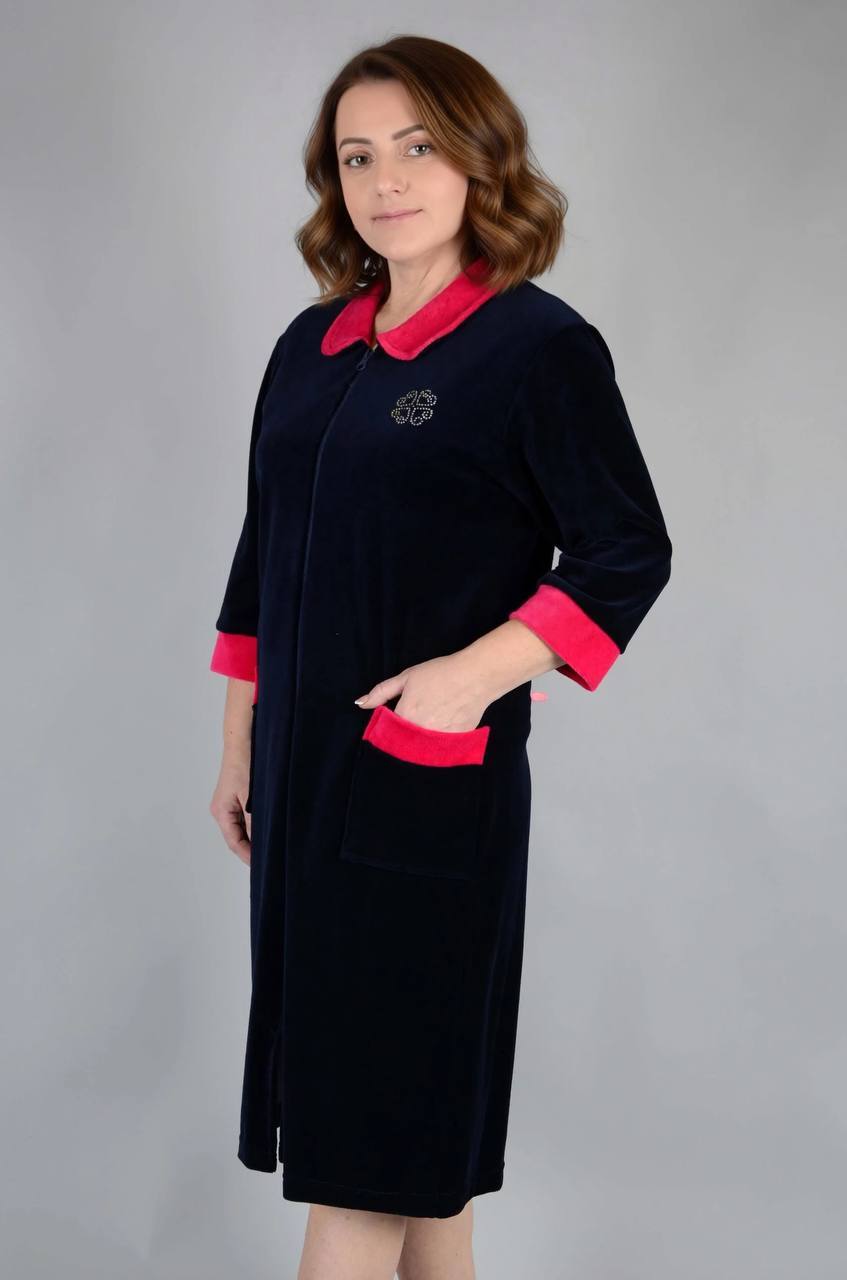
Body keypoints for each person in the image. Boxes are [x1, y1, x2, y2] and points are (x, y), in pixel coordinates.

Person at [208, 33, 672, 1280]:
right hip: (300, 787)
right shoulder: (309, 348)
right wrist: (238, 746)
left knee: (365, 1162)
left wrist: (469, 677)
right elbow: (261, 554)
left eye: (416, 147)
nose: (387, 180)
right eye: (357, 156)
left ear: (479, 158)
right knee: (419, 1168)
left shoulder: (534, 346)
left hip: (424, 796)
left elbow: (625, 548)